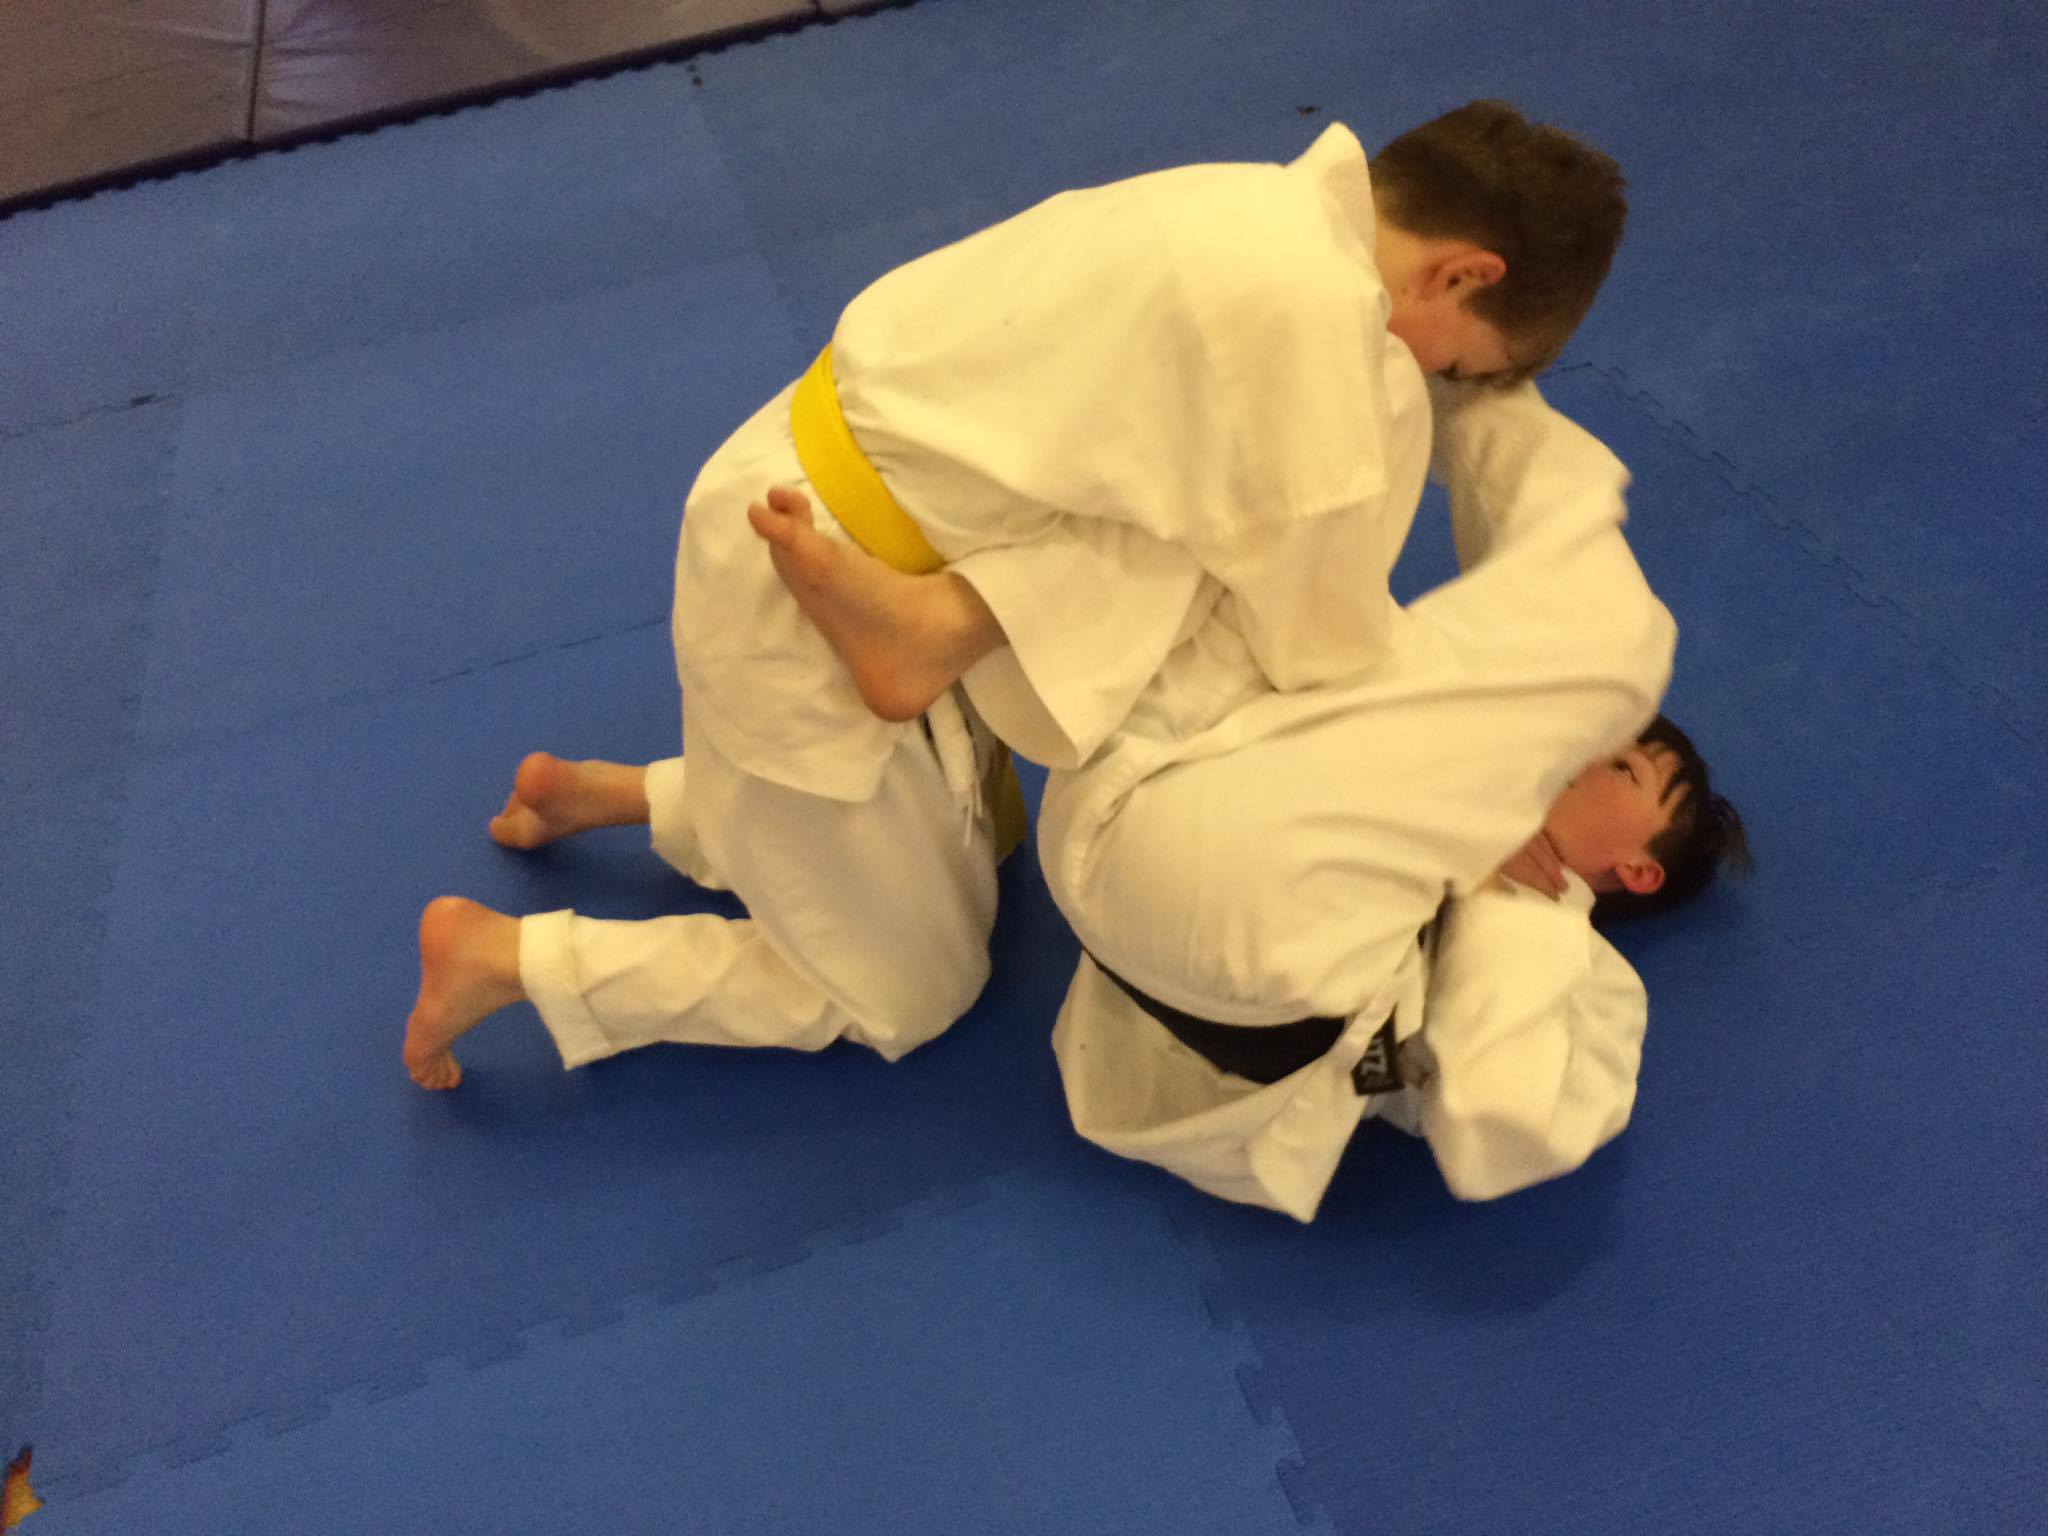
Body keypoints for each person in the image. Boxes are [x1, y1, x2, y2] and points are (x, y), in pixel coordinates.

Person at [403, 103, 1627, 1088]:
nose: (1433, 386)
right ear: (1463, 272)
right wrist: (1458, 799)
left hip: (840, 524)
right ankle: (512, 958)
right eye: (1461, 362)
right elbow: (1320, 645)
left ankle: (627, 791)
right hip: (798, 587)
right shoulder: (1312, 330)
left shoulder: (1252, 206)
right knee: (904, 991)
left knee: (981, 831)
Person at [1036, 381, 1748, 1220]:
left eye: (1623, 772)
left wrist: (1497, 899)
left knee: (1595, 641)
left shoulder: (1567, 950)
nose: (1589, 756)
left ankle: (1470, 396)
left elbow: (1502, 1124)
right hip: (1115, 819)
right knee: (1330, 611)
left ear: (1637, 870)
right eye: (1600, 740)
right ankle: (1436, 391)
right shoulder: (1441, 777)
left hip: (1236, 954)